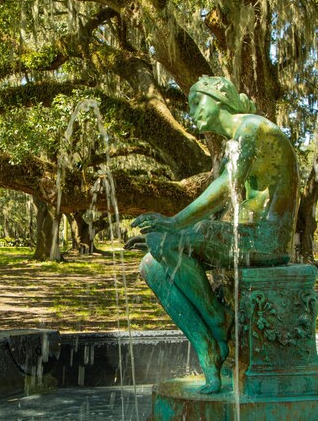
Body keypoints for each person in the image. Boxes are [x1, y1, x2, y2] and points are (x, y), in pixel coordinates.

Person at [127, 76, 299, 393]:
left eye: (196, 102)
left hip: (266, 238)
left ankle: (219, 323)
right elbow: (219, 204)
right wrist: (170, 233)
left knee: (166, 240)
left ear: (217, 98)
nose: (192, 113)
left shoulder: (252, 127)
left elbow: (228, 187)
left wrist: (173, 224)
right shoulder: (232, 144)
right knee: (150, 264)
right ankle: (209, 344)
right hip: (243, 236)